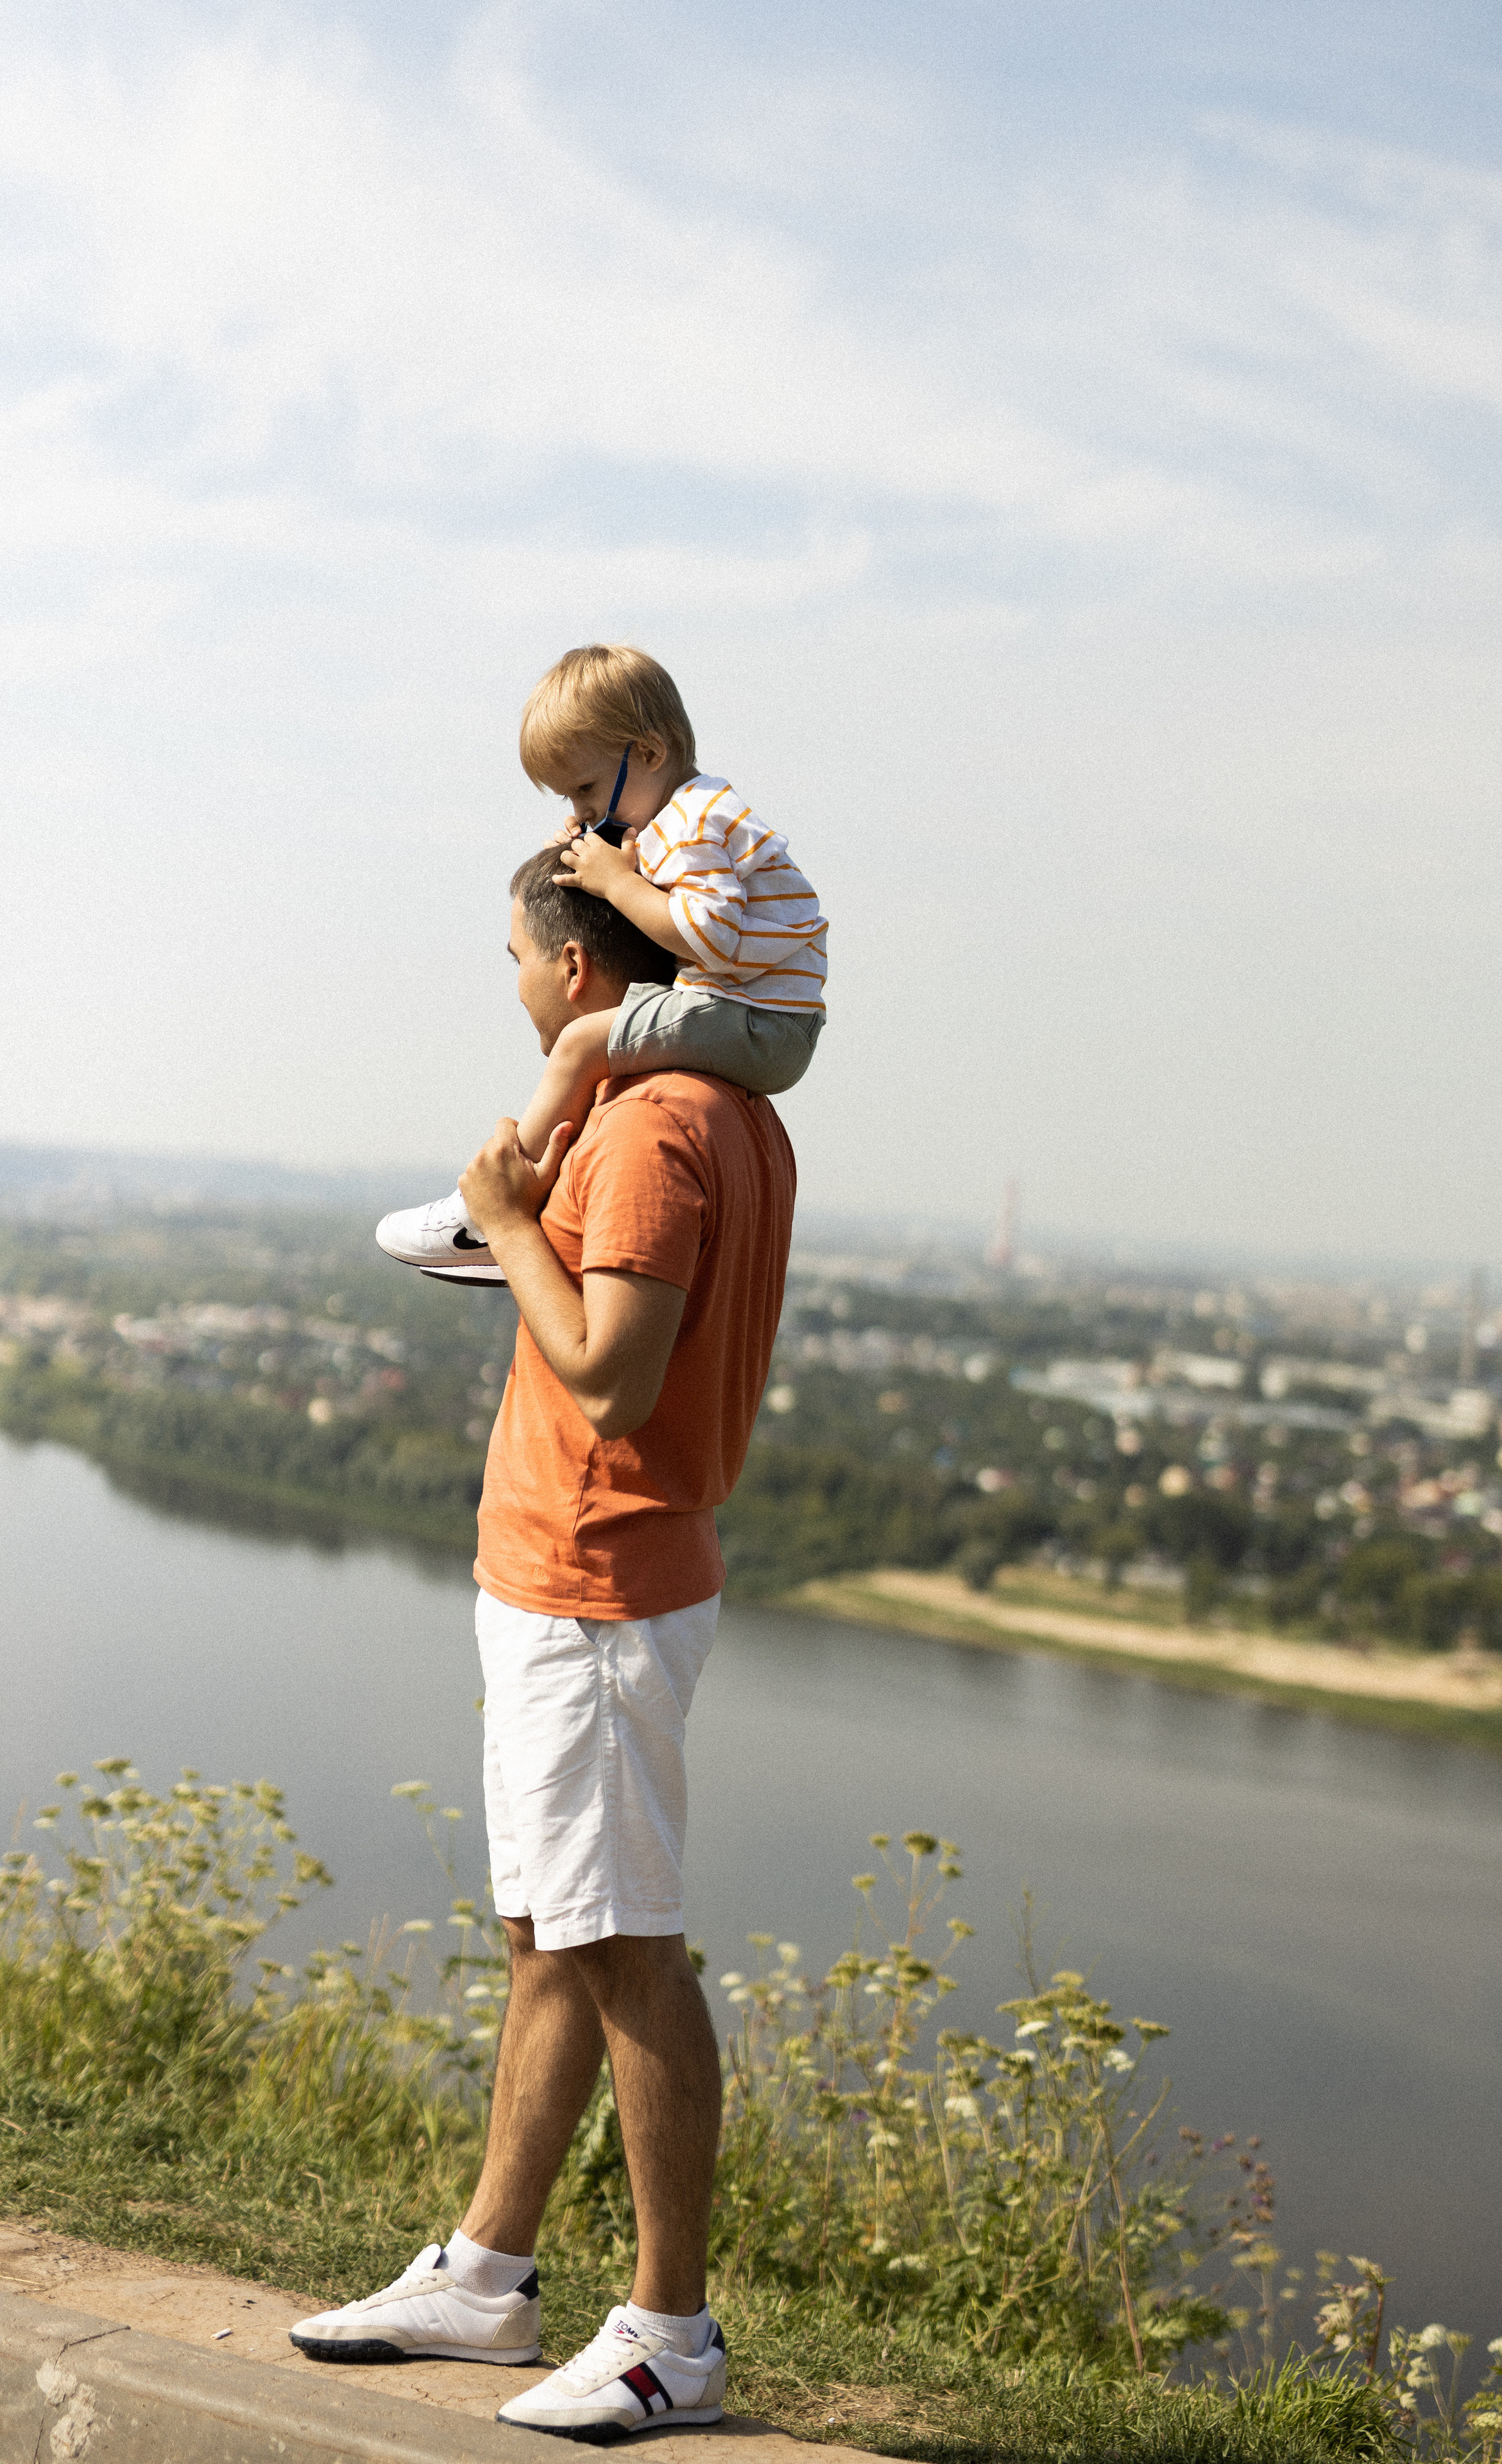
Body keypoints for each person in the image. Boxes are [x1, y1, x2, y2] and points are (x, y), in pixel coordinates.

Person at [289, 859, 798, 2440]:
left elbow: (608, 1377)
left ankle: (669, 2333)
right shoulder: (675, 1101)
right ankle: (488, 2276)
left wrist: (505, 1217)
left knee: (628, 1943)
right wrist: (511, 1210)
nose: (510, 982)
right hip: (559, 1578)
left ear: (578, 969)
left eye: (516, 957)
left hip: (598, 1582)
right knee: (553, 1936)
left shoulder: (657, 1129)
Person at [375, 643, 825, 1283]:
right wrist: (598, 848)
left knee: (584, 1043)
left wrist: (615, 883)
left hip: (758, 1020)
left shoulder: (694, 824)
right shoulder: (686, 814)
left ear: (647, 752)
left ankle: (492, 1212)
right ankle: (553, 1204)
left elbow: (712, 937)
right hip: (764, 1016)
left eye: (586, 789)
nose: (583, 812)